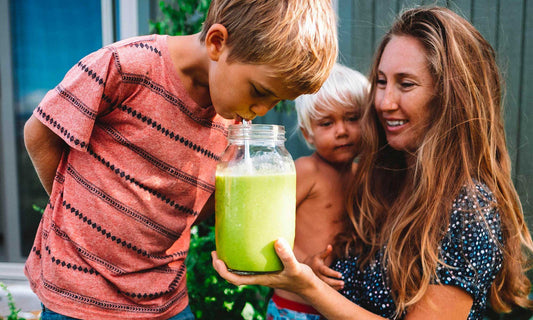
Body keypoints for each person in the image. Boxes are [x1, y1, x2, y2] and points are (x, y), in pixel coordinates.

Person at [213, 6, 533, 320]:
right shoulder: (382, 180)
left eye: (405, 84)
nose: (384, 102)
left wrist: (310, 288)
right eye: (381, 82)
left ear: (452, 95)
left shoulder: (468, 209)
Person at [22, 0, 338, 319]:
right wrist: (74, 216)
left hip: (164, 298)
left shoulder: (232, 118)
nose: (261, 110)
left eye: (277, 101)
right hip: (80, 293)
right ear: (217, 43)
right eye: (258, 91)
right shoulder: (126, 64)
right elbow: (40, 133)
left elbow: (206, 203)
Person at [267, 63, 369, 320]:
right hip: (294, 307)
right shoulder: (306, 171)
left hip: (338, 307)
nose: (342, 131)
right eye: (327, 123)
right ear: (308, 134)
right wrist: (303, 265)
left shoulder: (361, 176)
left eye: (352, 118)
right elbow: (268, 228)